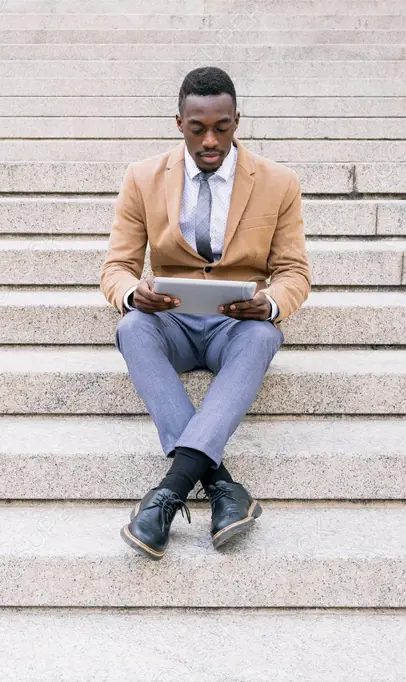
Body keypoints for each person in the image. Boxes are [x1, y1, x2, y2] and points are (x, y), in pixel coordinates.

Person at [100, 66, 311, 560]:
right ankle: (220, 485)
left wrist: (271, 303)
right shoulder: (143, 177)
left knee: (263, 336)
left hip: (235, 324)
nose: (211, 140)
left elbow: (294, 272)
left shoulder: (279, 183)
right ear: (179, 123)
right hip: (170, 320)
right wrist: (135, 293)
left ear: (238, 120)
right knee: (132, 327)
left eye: (222, 127)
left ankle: (170, 493)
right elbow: (117, 267)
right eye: (198, 129)